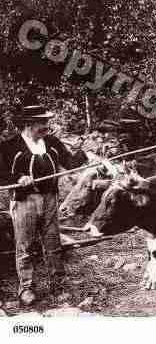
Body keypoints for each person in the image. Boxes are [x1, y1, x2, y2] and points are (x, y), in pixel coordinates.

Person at [0, 95, 86, 306]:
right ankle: (26, 288)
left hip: (50, 199)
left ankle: (58, 284)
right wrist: (18, 178)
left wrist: (87, 156)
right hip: (24, 202)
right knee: (25, 245)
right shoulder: (9, 146)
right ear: (29, 124)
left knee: (52, 243)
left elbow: (70, 162)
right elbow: (1, 173)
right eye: (42, 123)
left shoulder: (52, 142)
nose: (46, 126)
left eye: (46, 122)